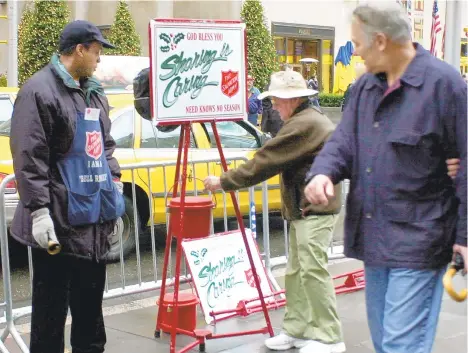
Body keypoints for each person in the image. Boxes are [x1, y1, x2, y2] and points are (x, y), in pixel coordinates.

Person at [304, 3, 467, 353]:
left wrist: (465, 237)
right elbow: (343, 142)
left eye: (357, 43)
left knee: (399, 346)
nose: (355, 51)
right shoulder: (365, 88)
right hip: (375, 241)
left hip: (421, 241)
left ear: (380, 40)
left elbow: (467, 165)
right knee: (385, 344)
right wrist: (322, 173)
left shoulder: (444, 86)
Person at [204, 70, 346, 353]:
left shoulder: (303, 124)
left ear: (289, 100)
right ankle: (298, 329)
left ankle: (329, 337)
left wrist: (224, 181)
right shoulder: (304, 120)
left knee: (311, 271)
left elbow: (265, 161)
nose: (274, 107)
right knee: (298, 271)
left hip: (313, 210)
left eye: (276, 101)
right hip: (306, 209)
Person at [10, 20, 125, 353]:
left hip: (92, 223)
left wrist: (113, 183)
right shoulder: (38, 91)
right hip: (57, 225)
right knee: (49, 318)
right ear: (80, 50)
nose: (100, 58)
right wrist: (39, 211)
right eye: (97, 50)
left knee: (90, 318)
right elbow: (30, 157)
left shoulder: (93, 91)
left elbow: (104, 145)